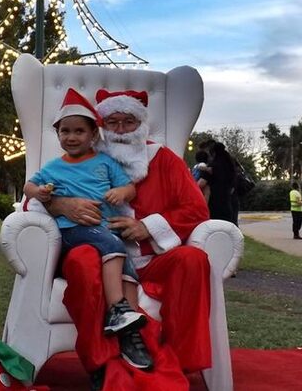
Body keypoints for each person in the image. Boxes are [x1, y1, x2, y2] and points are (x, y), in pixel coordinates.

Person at [46, 89, 211, 389]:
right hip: (97, 258)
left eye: (129, 122)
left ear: (142, 125)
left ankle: (182, 359)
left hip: (151, 259)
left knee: (193, 258)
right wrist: (61, 204)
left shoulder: (165, 160)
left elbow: (196, 208)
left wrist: (148, 227)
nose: (120, 131)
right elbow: (35, 199)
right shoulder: (79, 159)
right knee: (82, 260)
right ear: (101, 127)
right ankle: (102, 361)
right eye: (112, 122)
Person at [23, 88, 153, 371]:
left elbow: (130, 187)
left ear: (94, 134)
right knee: (114, 247)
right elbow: (28, 187)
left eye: (79, 131)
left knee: (128, 271)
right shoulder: (54, 167)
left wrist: (121, 192)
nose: (71, 137)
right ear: (58, 135)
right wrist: (44, 194)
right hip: (73, 230)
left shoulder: (104, 162)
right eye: (65, 131)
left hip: (104, 229)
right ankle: (117, 309)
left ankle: (130, 330)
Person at [199, 141, 235, 221]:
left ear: (213, 152)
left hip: (214, 204)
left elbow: (201, 183)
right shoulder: (230, 166)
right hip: (227, 203)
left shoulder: (211, 167)